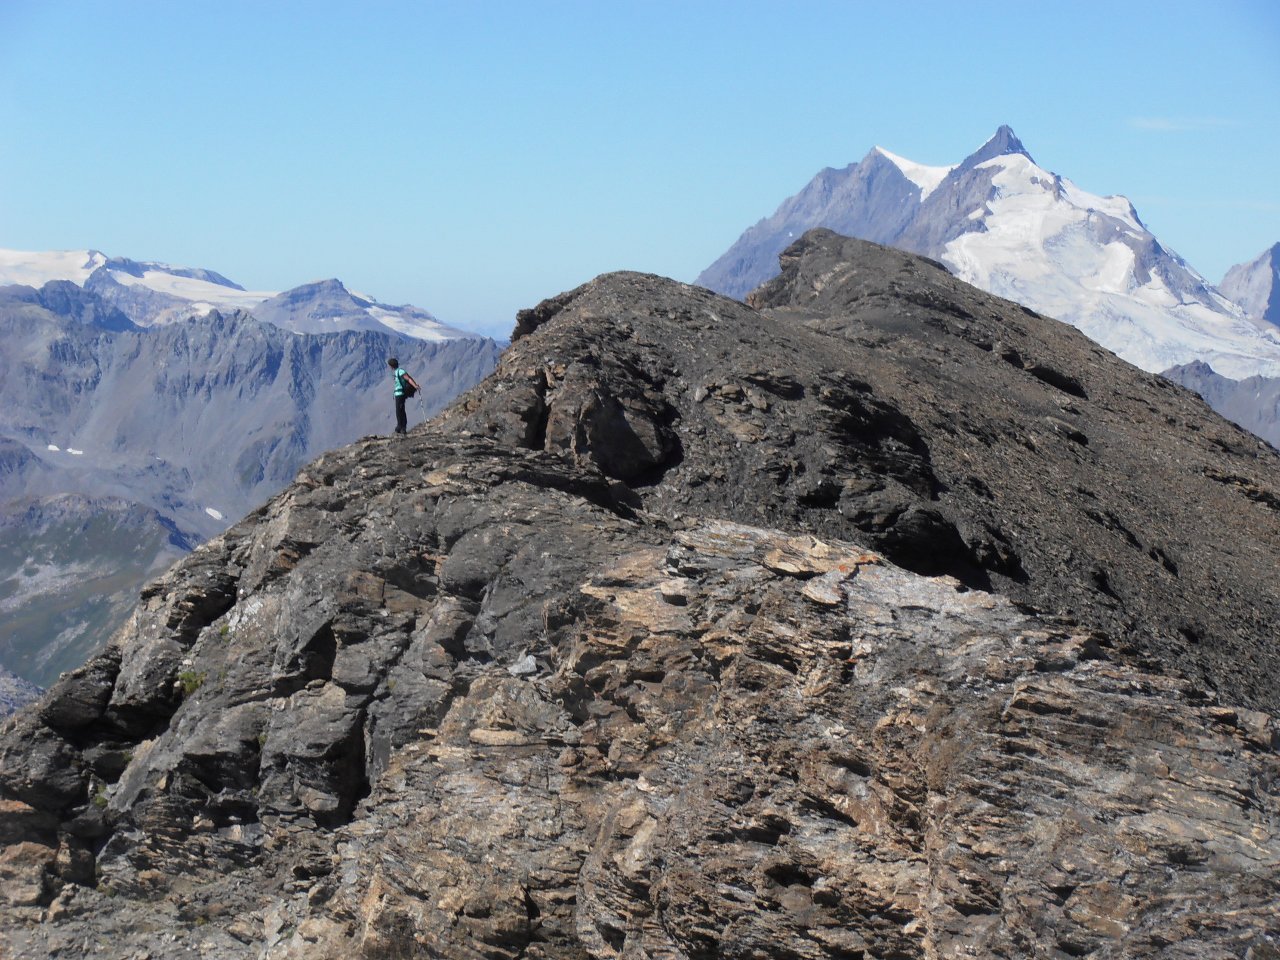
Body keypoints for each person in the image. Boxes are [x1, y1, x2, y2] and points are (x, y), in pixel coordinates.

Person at [387, 357, 421, 435]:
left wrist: (415, 386)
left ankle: (401, 427)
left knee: (399, 410)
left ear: (391, 366)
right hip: (398, 393)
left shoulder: (400, 371)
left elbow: (408, 379)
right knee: (400, 410)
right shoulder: (396, 372)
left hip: (400, 394)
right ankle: (401, 427)